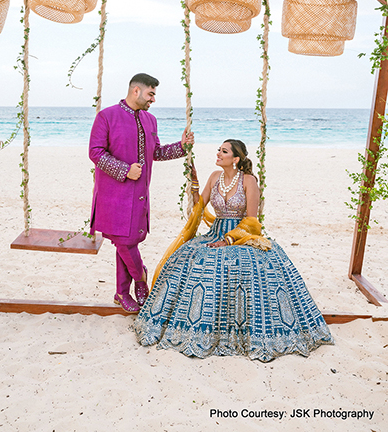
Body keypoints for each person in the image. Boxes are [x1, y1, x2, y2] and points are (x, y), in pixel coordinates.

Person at [134, 139, 334, 361]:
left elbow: (251, 222)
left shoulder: (249, 181)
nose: (218, 153)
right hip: (215, 233)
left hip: (242, 236)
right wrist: (194, 185)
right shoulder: (214, 177)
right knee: (189, 257)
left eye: (224, 151)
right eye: (219, 150)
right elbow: (199, 210)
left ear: (236, 159)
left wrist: (228, 240)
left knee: (250, 265)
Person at [89, 73, 194, 313]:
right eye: (151, 94)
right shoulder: (106, 116)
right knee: (124, 242)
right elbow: (95, 152)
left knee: (128, 241)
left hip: (139, 194)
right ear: (136, 91)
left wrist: (182, 147)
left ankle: (120, 293)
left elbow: (155, 152)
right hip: (113, 194)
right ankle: (140, 280)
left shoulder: (150, 120)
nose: (153, 99)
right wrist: (125, 170)